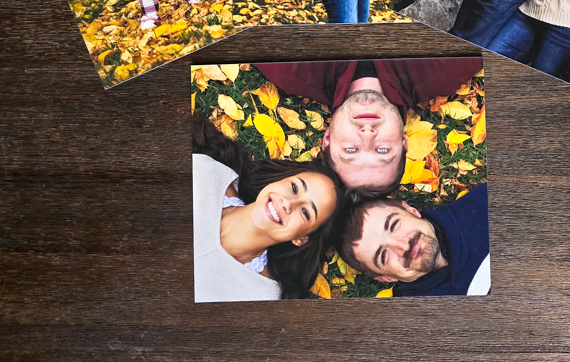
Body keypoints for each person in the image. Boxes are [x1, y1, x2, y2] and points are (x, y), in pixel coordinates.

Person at [255, 57, 484, 196]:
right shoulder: (446, 70)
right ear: (403, 142)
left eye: (350, 150)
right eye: (382, 151)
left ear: (327, 139)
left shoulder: (289, 69)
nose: (366, 135)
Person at [191, 116, 343, 301]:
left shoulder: (261, 296)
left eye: (305, 212)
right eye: (294, 188)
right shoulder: (205, 172)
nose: (289, 203)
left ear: (300, 239)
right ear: (278, 180)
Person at [339, 183, 490, 297]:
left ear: (411, 210)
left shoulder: (487, 202)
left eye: (394, 225)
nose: (403, 246)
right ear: (386, 278)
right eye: (383, 256)